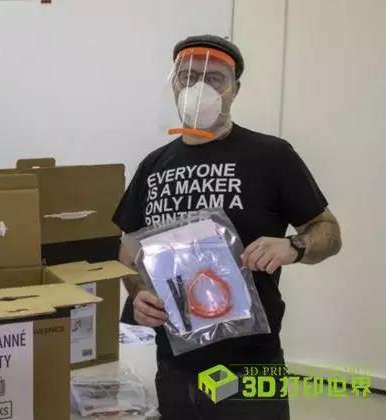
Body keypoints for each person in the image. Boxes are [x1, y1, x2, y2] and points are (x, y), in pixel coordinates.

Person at [113, 35, 342, 420]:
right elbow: (129, 250)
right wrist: (139, 293)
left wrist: (294, 246)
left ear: (235, 89)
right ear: (174, 84)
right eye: (188, 76)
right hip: (173, 360)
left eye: (215, 78)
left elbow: (329, 232)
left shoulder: (271, 156)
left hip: (249, 360)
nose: (199, 87)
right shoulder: (153, 166)